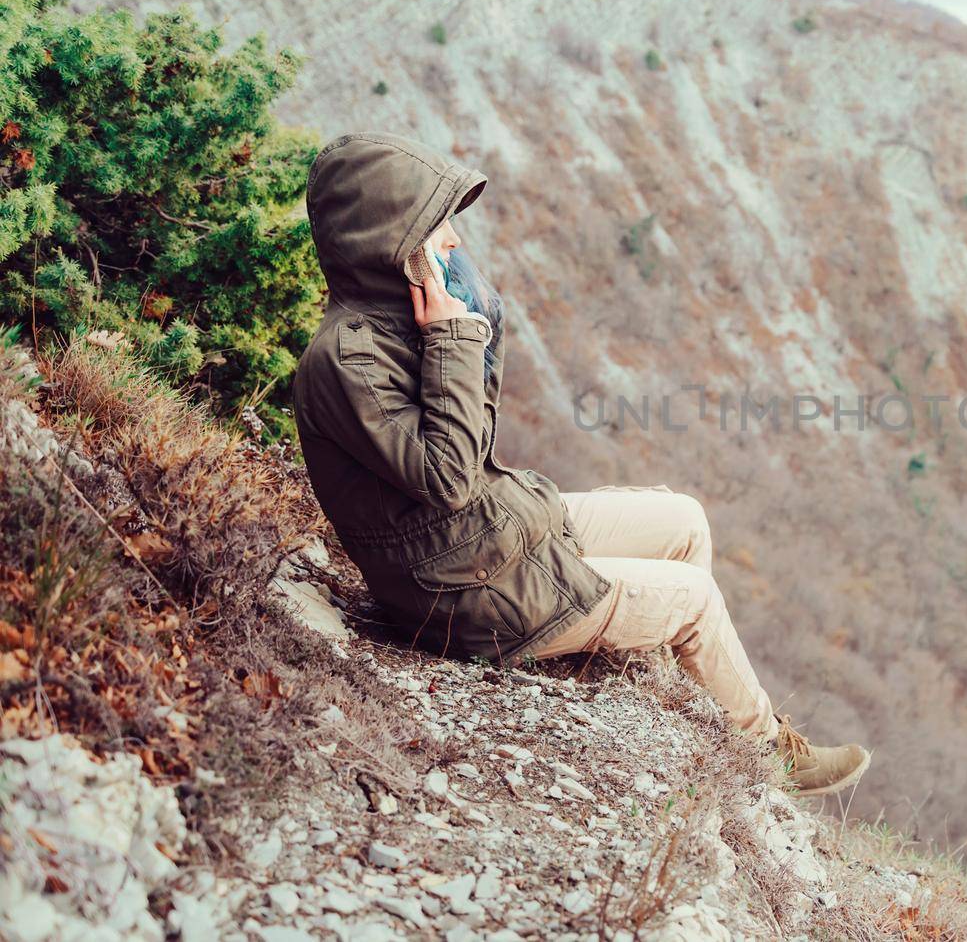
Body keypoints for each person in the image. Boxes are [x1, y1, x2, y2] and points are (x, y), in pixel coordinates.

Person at [290, 132, 869, 797]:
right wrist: (453, 339)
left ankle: (659, 660)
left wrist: (474, 322)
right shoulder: (345, 362)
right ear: (386, 241)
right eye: (434, 224)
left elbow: (473, 444)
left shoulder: (405, 320)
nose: (451, 240)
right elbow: (449, 479)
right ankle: (767, 757)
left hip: (490, 536)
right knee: (695, 598)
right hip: (462, 592)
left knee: (682, 521)